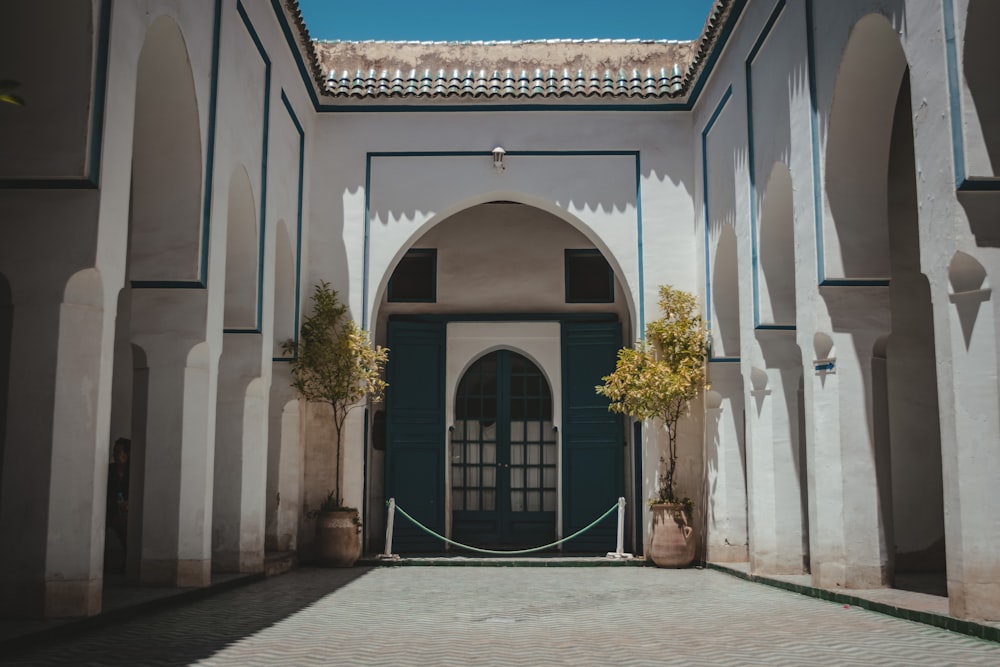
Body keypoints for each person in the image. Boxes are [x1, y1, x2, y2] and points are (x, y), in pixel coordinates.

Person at [106, 437, 131, 565]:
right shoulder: (109, 471)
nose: (115, 455)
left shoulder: (133, 472)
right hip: (111, 510)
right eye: (114, 451)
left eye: (118, 451)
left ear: (127, 454)